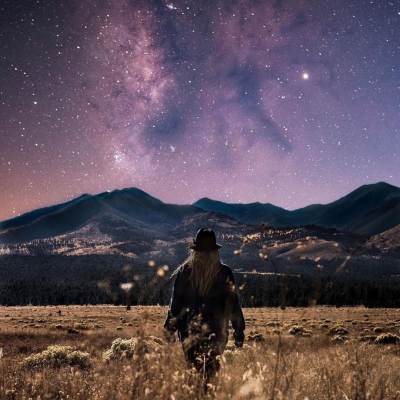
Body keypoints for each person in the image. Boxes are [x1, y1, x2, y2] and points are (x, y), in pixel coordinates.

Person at [164, 228, 245, 380]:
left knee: (193, 375)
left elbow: (175, 305)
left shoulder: (185, 272)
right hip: (217, 335)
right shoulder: (224, 273)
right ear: (215, 251)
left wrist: (169, 329)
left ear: (195, 250)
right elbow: (234, 306)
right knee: (211, 376)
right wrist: (239, 332)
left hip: (190, 335)